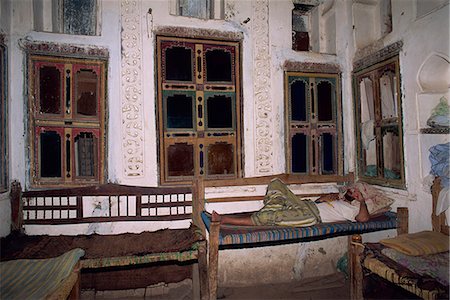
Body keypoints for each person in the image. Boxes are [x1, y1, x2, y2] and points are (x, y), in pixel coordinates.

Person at [212, 178, 392, 227]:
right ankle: (267, 212)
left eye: (357, 191)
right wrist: (325, 198)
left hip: (310, 217)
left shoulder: (356, 208)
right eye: (353, 189)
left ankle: (224, 220)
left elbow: (364, 220)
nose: (352, 190)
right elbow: (320, 201)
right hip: (307, 205)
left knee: (271, 215)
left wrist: (361, 202)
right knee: (276, 184)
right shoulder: (340, 199)